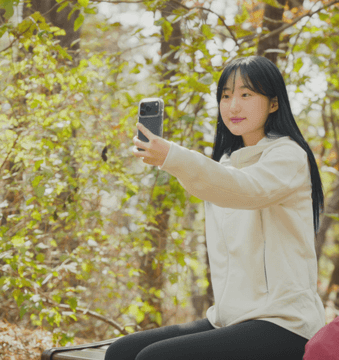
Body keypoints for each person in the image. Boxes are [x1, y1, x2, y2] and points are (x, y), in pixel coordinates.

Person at [105, 55, 325, 360]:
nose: (233, 106)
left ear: (273, 103)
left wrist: (175, 156)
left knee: (153, 358)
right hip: (228, 317)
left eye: (246, 94)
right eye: (226, 95)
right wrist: (175, 161)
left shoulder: (288, 156)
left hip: (285, 322)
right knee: (122, 352)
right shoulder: (225, 164)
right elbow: (220, 182)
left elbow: (245, 189)